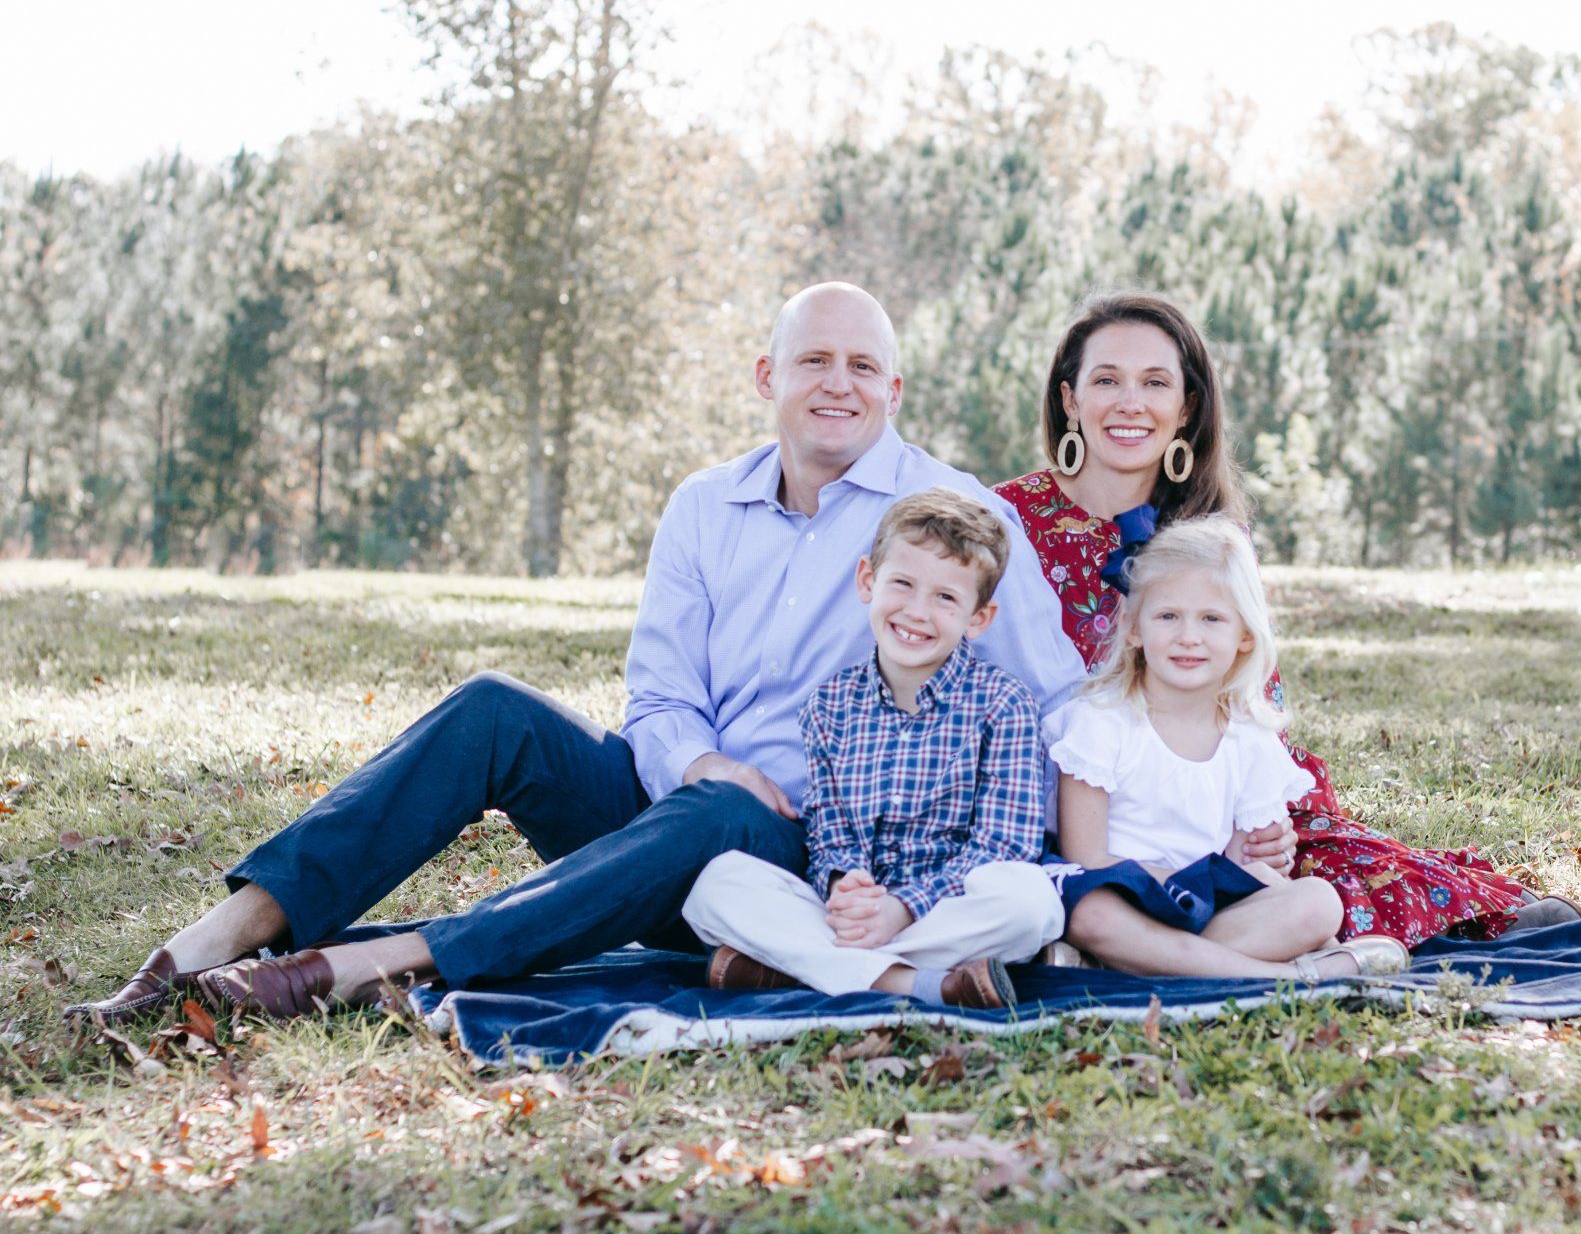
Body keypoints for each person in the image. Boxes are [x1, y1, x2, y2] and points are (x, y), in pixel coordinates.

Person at [67, 282, 1087, 1024]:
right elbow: (657, 700)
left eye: (863, 364)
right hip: (675, 806)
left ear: (895, 387)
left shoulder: (954, 519)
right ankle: (218, 936)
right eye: (814, 358)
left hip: (812, 866)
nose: (838, 382)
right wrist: (699, 761)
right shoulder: (704, 505)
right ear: (767, 374)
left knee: (732, 812)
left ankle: (386, 959)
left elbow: (1052, 705)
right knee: (495, 711)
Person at [995, 292, 1581, 950]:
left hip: (1202, 772)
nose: (1130, 402)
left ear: (1186, 408)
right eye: (1107, 380)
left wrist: (1261, 819)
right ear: (1070, 399)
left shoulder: (1212, 532)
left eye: (1155, 383)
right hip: (1061, 790)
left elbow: (1252, 686)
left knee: (1309, 868)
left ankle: (1471, 912)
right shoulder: (1005, 521)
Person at [683, 490, 1062, 1008]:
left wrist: (901, 909)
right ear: (868, 580)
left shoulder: (1003, 704)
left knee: (1031, 904)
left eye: (946, 598)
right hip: (854, 918)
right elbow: (830, 832)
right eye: (902, 584)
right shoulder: (830, 705)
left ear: (979, 617)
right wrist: (844, 886)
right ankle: (918, 984)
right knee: (716, 886)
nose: (917, 611)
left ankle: (804, 968)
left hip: (944, 912)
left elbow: (1003, 846)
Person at [1047, 517, 1406, 980]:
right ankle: (1288, 976)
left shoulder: (1247, 737)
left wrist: (1300, 911)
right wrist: (1174, 887)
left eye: (1211, 618)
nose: (1188, 636)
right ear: (1134, 628)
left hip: (1209, 904)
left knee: (1317, 903)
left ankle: (1134, 964)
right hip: (1123, 894)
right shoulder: (1101, 721)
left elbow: (1251, 862)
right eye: (1168, 616)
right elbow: (1085, 855)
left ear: (1245, 636)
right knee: (1088, 915)